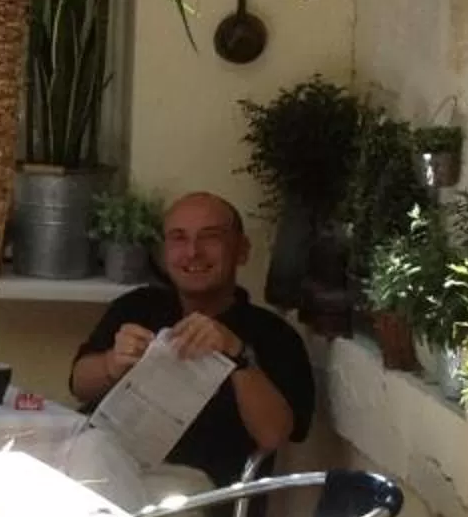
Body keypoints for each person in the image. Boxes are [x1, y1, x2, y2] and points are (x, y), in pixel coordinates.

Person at [69, 191, 316, 498]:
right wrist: (111, 363)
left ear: (241, 250)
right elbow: (79, 383)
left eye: (210, 237)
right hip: (106, 460)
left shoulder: (272, 334)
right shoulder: (136, 307)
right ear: (163, 252)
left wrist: (237, 356)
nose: (193, 252)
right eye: (178, 238)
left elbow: (274, 436)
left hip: (191, 489)